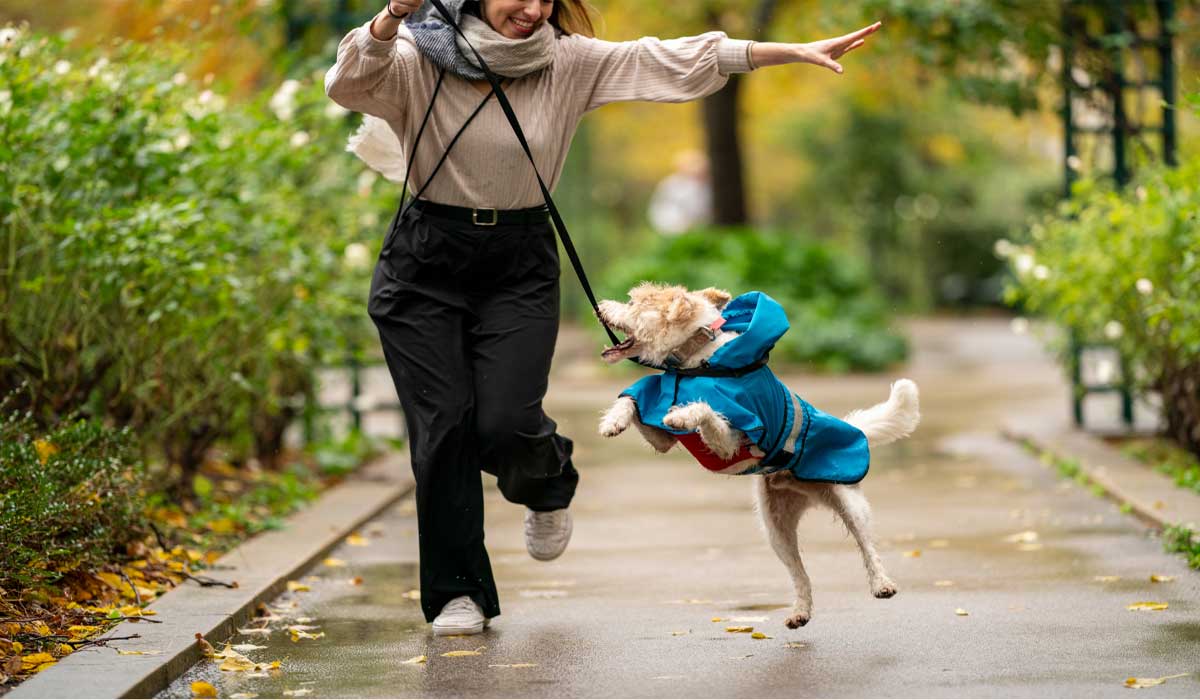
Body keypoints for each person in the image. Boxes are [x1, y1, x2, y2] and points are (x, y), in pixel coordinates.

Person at [325, 0, 880, 637]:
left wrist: (784, 52)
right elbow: (348, 84)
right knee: (442, 426)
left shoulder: (565, 62)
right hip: (423, 261)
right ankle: (459, 593)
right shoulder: (419, 53)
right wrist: (390, 16)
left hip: (517, 263)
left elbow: (663, 59)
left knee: (505, 420)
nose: (532, 8)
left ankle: (547, 482)